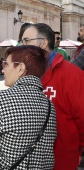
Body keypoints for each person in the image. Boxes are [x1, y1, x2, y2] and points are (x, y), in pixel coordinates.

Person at [0, 45, 57, 169]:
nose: (3, 70)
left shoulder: (0, 101)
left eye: (6, 64)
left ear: (20, 68)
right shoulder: (49, 105)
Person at [21, 23, 84, 170]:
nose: (21, 45)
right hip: (29, 162)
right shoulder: (22, 73)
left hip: (62, 160)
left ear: (43, 43)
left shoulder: (73, 76)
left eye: (26, 41)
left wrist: (74, 149)